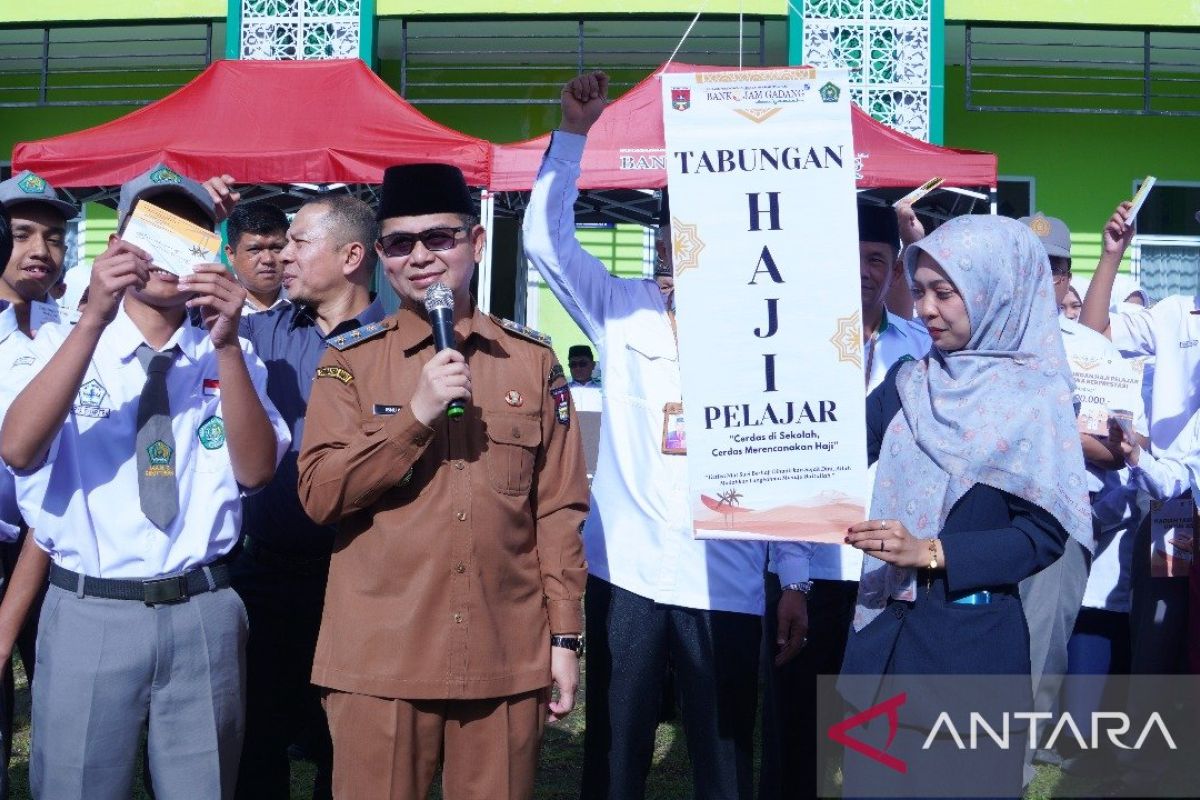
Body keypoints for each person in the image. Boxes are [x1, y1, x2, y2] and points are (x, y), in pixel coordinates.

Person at [523, 71, 809, 800]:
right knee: (616, 747)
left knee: (722, 749)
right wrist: (574, 137)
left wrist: (796, 575)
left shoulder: (768, 327)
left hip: (731, 573)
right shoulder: (622, 309)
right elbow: (544, 243)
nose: (687, 242)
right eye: (677, 226)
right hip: (631, 572)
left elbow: (794, 456)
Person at [297, 162, 588, 800]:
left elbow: (559, 510)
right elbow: (320, 495)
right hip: (382, 658)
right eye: (400, 243)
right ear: (379, 257)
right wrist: (414, 417)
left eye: (440, 238)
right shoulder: (350, 361)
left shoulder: (532, 361)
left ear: (476, 244)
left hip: (503, 653)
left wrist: (564, 638)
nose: (421, 257)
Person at [0, 164, 289, 800]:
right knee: (76, 785)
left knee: (202, 786)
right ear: (119, 246)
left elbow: (257, 470)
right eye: (151, 232)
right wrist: (92, 322)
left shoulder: (229, 352)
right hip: (89, 609)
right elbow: (19, 449)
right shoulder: (54, 338)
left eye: (188, 234)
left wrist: (229, 344)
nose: (168, 253)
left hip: (202, 610)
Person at [838, 214, 1092, 798]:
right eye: (920, 290)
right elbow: (837, 451)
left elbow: (1041, 537)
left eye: (944, 292)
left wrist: (930, 552)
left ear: (992, 288)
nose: (926, 308)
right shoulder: (909, 380)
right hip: (883, 647)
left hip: (968, 661)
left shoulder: (1035, 400)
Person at [759, 203, 929, 800]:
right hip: (811, 571)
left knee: (878, 741)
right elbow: (784, 462)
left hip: (886, 572)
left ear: (894, 268)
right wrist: (793, 578)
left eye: (877, 258)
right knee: (797, 740)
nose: (863, 270)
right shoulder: (790, 344)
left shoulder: (918, 350)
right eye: (851, 258)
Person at [220, 190, 385, 799]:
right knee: (255, 739)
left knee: (345, 743)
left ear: (350, 256)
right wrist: (190, 202)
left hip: (356, 578)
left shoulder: (398, 343)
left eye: (297, 242)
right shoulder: (260, 333)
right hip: (261, 575)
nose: (281, 257)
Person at [0, 171, 77, 799]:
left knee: (61, 709)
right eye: (22, 234)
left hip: (53, 552)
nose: (40, 251)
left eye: (53, 237)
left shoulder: (70, 335)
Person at [225, 200, 290, 314]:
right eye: (255, 250)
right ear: (231, 254)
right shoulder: (213, 308)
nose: (268, 259)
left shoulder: (307, 305)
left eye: (276, 248)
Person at [566, 343, 602, 412]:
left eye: (582, 364)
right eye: (573, 365)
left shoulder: (602, 391)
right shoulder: (560, 391)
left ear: (593, 365)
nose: (578, 368)